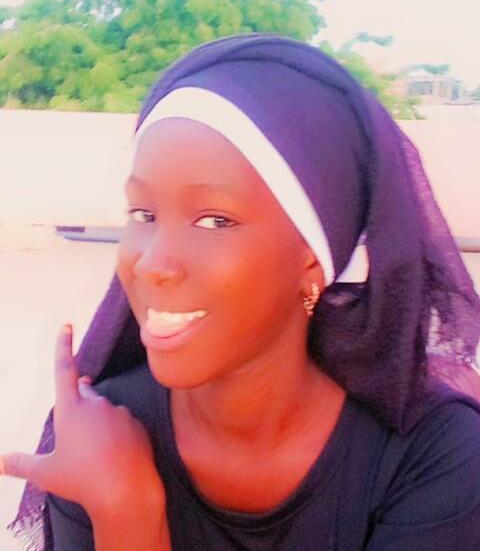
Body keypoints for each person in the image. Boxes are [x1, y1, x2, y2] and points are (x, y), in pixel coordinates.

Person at [2, 34, 480, 551]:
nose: (153, 263)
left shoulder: (435, 456)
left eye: (214, 220)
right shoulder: (99, 438)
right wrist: (112, 496)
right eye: (143, 213)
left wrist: (129, 516)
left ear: (312, 261)